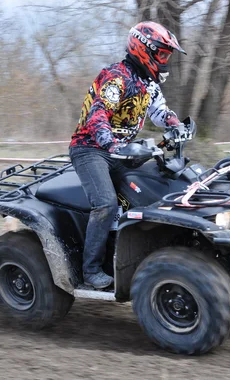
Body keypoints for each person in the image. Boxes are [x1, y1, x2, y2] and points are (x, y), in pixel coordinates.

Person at [69, 21, 186, 289]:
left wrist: (174, 123)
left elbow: (159, 111)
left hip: (122, 152)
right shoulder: (116, 77)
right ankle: (91, 270)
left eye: (168, 55)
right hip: (91, 149)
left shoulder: (148, 83)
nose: (166, 61)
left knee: (150, 190)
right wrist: (109, 142)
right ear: (145, 49)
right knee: (106, 204)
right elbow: (98, 112)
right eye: (164, 54)